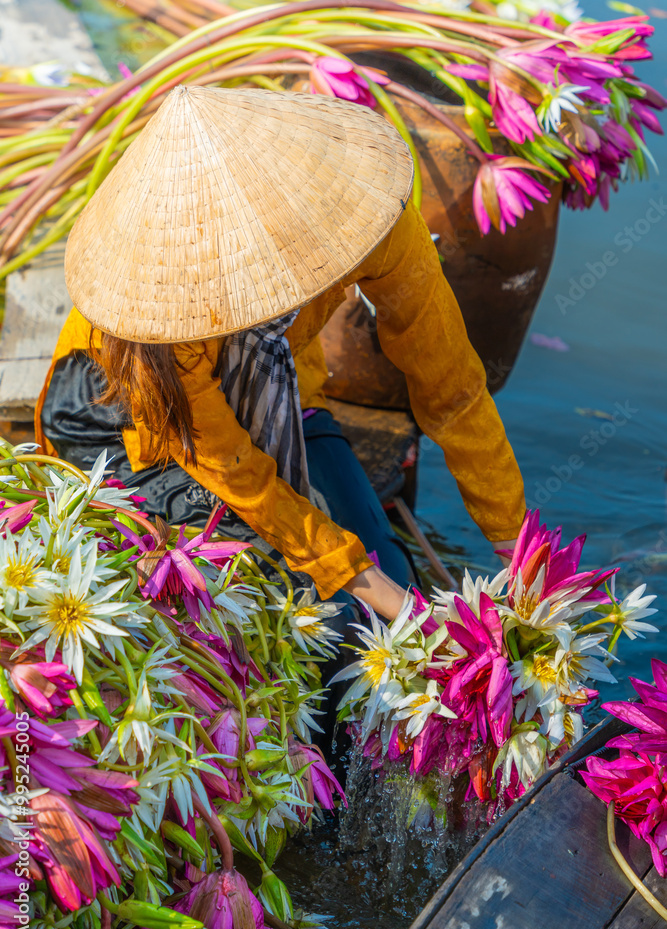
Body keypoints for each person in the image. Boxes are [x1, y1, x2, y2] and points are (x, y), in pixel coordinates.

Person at [36, 84, 525, 629]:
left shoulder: (372, 220)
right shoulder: (160, 312)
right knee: (312, 611)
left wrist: (512, 537)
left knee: (389, 568)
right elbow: (234, 469)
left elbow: (450, 383)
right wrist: (372, 588)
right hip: (134, 419)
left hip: (282, 391)